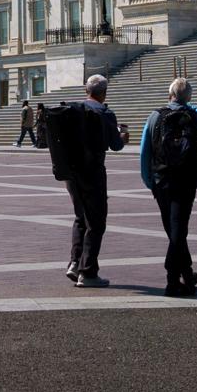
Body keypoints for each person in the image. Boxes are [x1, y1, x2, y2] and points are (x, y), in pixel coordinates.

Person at [141, 77, 197, 297]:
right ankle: (175, 280)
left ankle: (184, 275)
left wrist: (148, 180)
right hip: (186, 180)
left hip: (161, 180)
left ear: (169, 94)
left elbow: (145, 151)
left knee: (174, 230)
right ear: (188, 97)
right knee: (178, 230)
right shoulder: (192, 115)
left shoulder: (155, 116)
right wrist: (187, 104)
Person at [63, 74, 127, 288]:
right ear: (104, 93)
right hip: (93, 172)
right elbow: (116, 145)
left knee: (81, 217)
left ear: (86, 91)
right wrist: (123, 137)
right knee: (97, 222)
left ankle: (74, 263)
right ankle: (88, 271)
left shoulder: (73, 111)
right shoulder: (105, 113)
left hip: (72, 173)